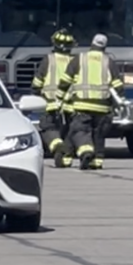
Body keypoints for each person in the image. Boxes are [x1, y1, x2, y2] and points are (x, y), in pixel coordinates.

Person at [61, 33, 123, 170]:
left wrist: (60, 98)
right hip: (103, 107)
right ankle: (97, 161)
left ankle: (86, 152)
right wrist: (118, 102)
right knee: (98, 134)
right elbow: (118, 86)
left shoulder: (79, 59)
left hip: (81, 105)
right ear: (105, 47)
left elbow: (65, 81)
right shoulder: (109, 62)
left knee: (80, 131)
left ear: (92, 44)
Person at [33, 28, 76, 166]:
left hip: (50, 104)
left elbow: (37, 83)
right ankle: (66, 158)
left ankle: (57, 146)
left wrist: (37, 95)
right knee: (68, 132)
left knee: (48, 128)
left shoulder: (48, 60)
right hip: (70, 106)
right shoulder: (75, 62)